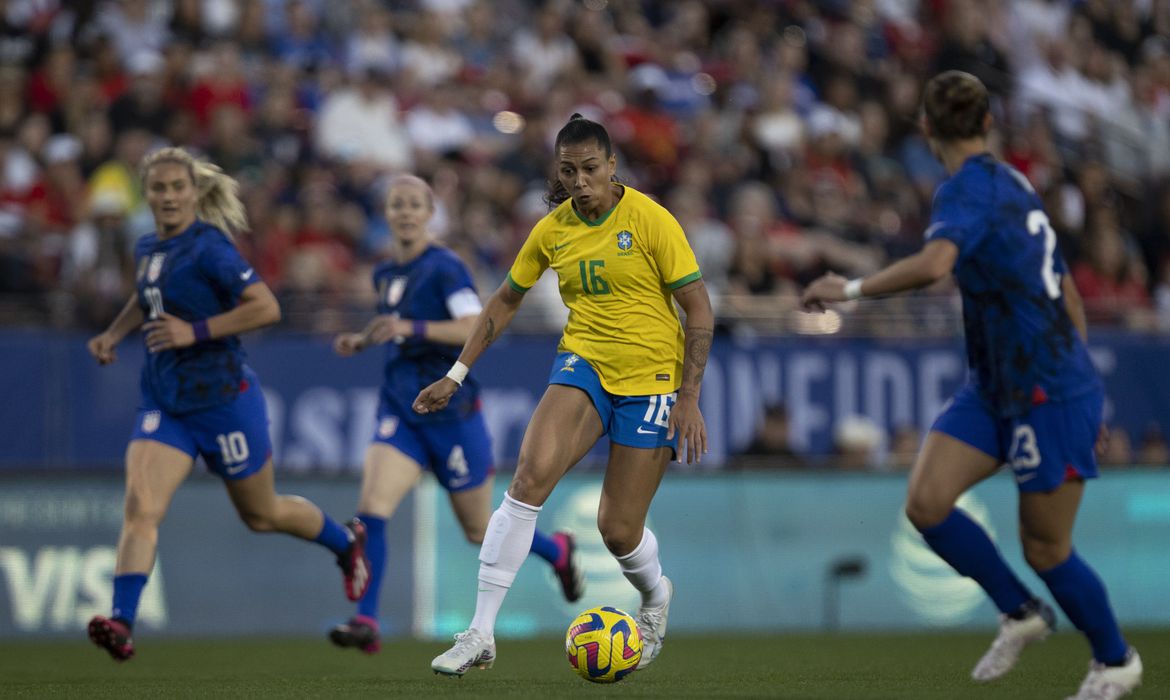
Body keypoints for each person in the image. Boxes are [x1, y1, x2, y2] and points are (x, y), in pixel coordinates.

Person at [802, 71, 1142, 700]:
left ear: (926, 128)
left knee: (1046, 548)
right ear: (988, 124)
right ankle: (1020, 612)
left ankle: (1115, 660)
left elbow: (935, 266)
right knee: (927, 502)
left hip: (1046, 388)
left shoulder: (966, 191)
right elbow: (1064, 287)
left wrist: (846, 289)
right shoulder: (1014, 182)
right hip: (996, 384)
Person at [416, 114, 714, 676]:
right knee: (526, 481)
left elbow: (698, 307)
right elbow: (505, 300)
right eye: (569, 171)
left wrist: (689, 396)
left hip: (651, 382)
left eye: (590, 169)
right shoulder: (553, 229)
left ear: (612, 167)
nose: (580, 181)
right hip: (585, 366)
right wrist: (455, 375)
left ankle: (654, 596)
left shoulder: (651, 220)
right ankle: (480, 632)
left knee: (617, 530)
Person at [85, 147, 370, 662]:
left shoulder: (210, 248)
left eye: (177, 188)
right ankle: (122, 622)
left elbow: (266, 306)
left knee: (261, 515)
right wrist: (113, 333)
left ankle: (345, 541)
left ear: (194, 193)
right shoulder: (148, 245)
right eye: (159, 188)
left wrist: (191, 332)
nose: (168, 197)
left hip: (224, 401)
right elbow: (147, 295)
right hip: (166, 402)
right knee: (141, 509)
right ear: (145, 194)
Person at [326, 174, 585, 654]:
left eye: (413, 204)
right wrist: (362, 340)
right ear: (386, 214)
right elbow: (398, 329)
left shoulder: (445, 267)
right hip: (402, 411)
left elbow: (471, 326)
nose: (404, 212)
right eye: (396, 204)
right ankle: (366, 621)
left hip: (453, 414)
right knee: (371, 514)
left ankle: (557, 551)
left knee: (477, 530)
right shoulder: (385, 273)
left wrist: (409, 325)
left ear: (429, 214)